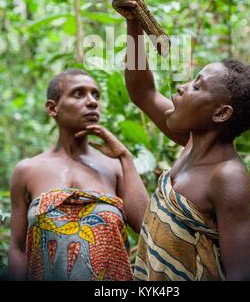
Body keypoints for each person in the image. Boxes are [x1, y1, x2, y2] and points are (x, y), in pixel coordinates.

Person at [103, 0, 250, 281]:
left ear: (220, 113)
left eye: (196, 87)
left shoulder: (229, 178)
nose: (181, 88)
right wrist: (133, 22)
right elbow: (143, 93)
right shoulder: (193, 140)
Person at [9, 68, 149, 281]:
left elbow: (146, 228)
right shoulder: (27, 171)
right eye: (79, 93)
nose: (92, 101)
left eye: (96, 95)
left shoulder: (115, 167)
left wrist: (125, 157)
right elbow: (18, 249)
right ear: (52, 108)